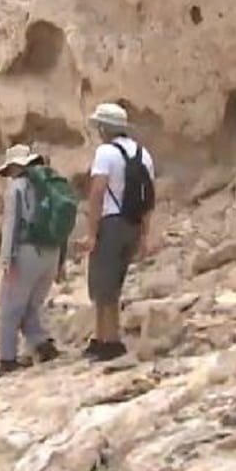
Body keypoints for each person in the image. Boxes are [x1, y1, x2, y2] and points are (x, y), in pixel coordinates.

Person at [79, 103, 156, 362]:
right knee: (114, 284)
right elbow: (148, 199)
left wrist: (91, 232)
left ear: (105, 128)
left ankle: (111, 342)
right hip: (133, 224)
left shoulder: (105, 153)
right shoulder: (144, 155)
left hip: (111, 223)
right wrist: (145, 235)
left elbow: (98, 191)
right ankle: (101, 338)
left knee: (103, 285)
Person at [0, 144, 67, 374]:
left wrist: (7, 259)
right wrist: (61, 261)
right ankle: (42, 346)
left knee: (10, 309)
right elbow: (63, 223)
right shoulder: (51, 186)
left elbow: (11, 225)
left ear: (15, 166)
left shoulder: (17, 187)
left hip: (26, 253)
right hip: (51, 253)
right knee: (31, 306)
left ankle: (7, 360)